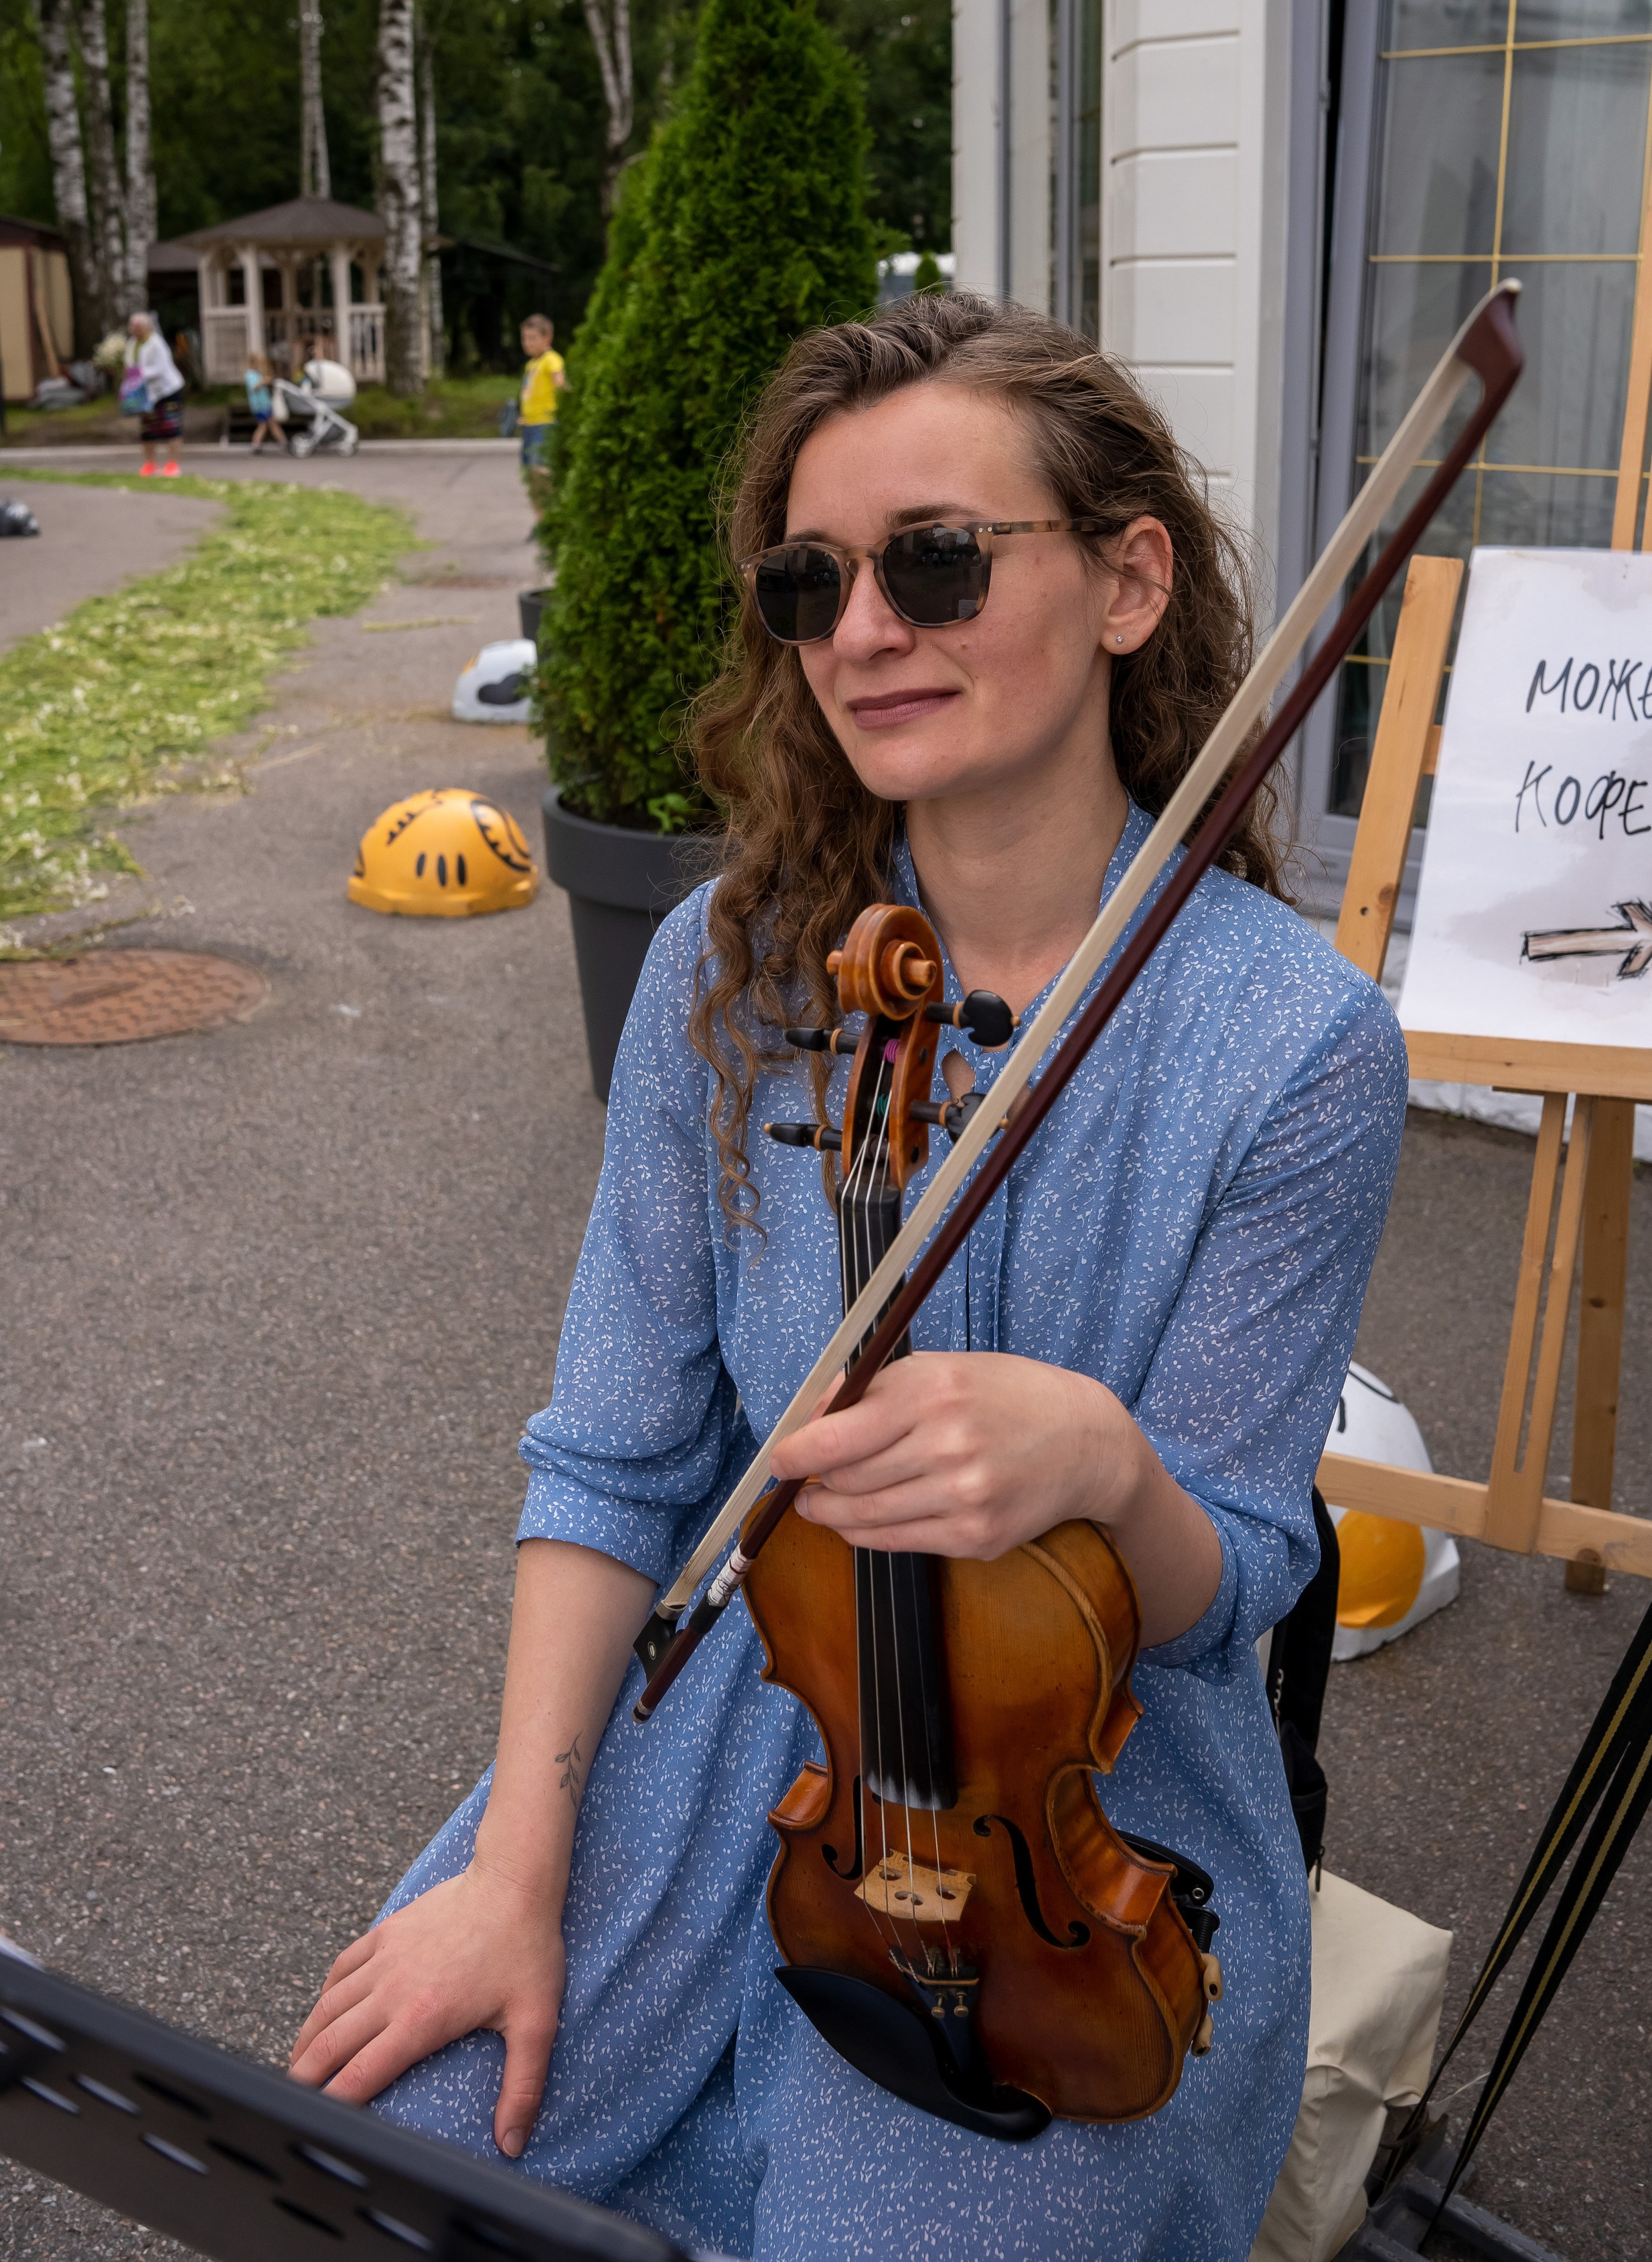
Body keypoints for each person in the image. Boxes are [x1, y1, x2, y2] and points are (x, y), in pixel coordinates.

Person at [289, 294, 1408, 2262]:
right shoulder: (734, 971)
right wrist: (515, 1869)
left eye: (937, 561)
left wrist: (1104, 1466)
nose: (865, 629)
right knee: (389, 2154)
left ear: (1128, 581)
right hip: (738, 1716)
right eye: (811, 581)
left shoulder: (1293, 1048)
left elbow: (1234, 1567)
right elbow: (615, 1461)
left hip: (1068, 1813)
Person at [123, 311, 185, 479]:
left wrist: (140, 374)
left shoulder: (156, 343)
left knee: (172, 427)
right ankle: (150, 464)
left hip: (168, 391)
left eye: (138, 326)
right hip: (147, 394)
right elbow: (129, 365)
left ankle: (172, 465)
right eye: (133, 326)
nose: (135, 329)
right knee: (148, 429)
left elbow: (161, 368)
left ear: (146, 327)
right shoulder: (132, 344)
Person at [516, 311, 564, 519]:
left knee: (541, 471)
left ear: (547, 338)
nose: (528, 343)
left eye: (533, 338)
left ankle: (551, 516)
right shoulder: (532, 364)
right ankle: (540, 518)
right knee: (530, 474)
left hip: (545, 424)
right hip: (530, 425)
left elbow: (560, 384)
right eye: (525, 338)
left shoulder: (551, 360)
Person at [244, 352, 286, 453]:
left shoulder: (257, 374)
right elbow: (254, 387)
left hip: (265, 404)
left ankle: (283, 442)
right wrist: (263, 381)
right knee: (265, 425)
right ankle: (282, 443)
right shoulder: (250, 375)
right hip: (260, 405)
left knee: (270, 424)